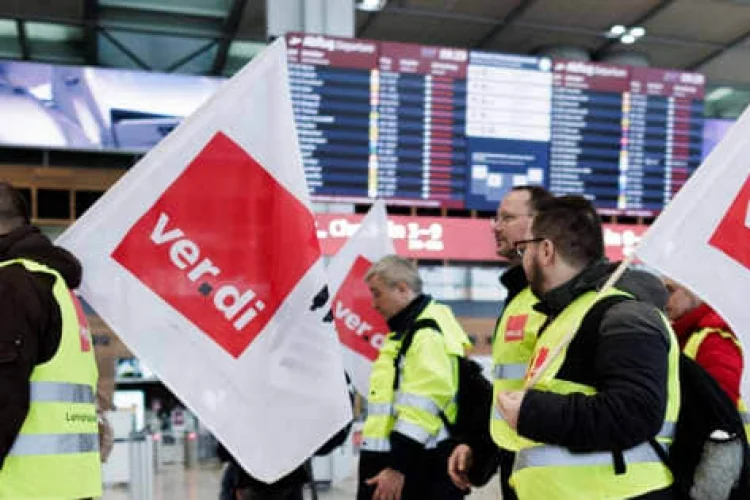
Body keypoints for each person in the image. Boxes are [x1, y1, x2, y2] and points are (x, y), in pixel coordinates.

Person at [494, 195, 680, 499]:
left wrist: (532, 411)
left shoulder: (623, 315)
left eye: (523, 249)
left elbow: (635, 412)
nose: (523, 259)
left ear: (545, 250)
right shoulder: (567, 315)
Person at [448, 185, 552, 498]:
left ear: (539, 224)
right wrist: (478, 444)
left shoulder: (554, 297)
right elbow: (507, 390)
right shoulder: (519, 294)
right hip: (518, 467)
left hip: (551, 476)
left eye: (506, 217)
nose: (495, 226)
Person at [0, 182, 102, 498]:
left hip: (22, 489)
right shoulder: (54, 285)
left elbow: (3, 392)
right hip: (67, 486)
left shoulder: (13, 285)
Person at [357, 255, 469, 500]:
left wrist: (397, 466)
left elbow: (423, 405)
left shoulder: (425, 334)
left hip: (414, 469)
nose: (374, 303)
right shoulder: (408, 331)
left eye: (377, 293)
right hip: (405, 464)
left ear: (402, 289)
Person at [664, 278, 748, 429]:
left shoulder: (714, 339)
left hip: (720, 445)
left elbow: (720, 405)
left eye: (670, 290)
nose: (663, 297)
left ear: (693, 291)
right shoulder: (685, 332)